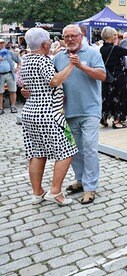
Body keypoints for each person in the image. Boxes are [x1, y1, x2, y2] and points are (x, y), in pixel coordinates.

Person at [20, 28, 77, 206]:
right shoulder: (43, 61)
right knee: (69, 149)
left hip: (31, 112)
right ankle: (55, 191)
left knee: (37, 153)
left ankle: (37, 193)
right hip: (50, 114)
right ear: (45, 44)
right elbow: (54, 81)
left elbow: (27, 86)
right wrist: (71, 66)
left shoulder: (26, 59)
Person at [53, 24, 106, 205]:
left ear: (81, 36)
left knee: (90, 147)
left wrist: (81, 66)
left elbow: (102, 75)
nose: (69, 39)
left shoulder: (92, 53)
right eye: (66, 36)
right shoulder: (59, 57)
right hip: (67, 111)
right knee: (75, 150)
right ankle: (80, 180)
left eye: (73, 36)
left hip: (90, 109)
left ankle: (90, 187)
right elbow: (53, 81)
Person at [0, 39, 21, 114]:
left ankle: (13, 106)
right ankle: (0, 108)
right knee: (0, 92)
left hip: (10, 74)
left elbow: (18, 61)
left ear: (4, 44)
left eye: (2, 43)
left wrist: (16, 69)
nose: (1, 45)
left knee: (12, 91)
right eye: (0, 43)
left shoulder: (9, 53)